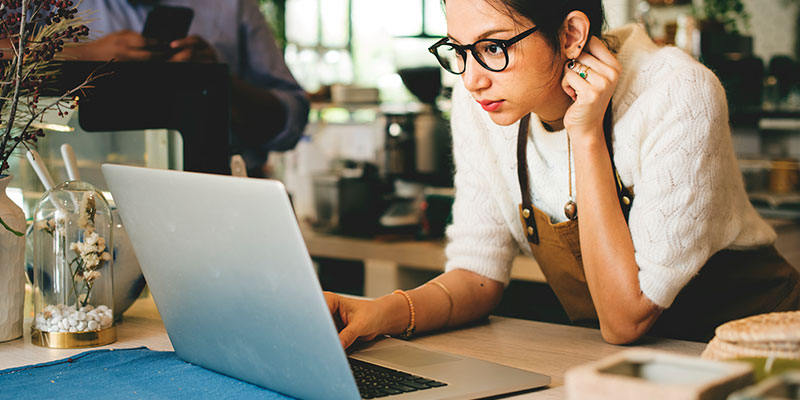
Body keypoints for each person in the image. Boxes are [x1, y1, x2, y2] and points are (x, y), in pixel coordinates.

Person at [324, 0, 800, 346]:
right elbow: (476, 274)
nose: (471, 78)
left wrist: (586, 133)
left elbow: (625, 319)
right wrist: (380, 312)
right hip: (634, 365)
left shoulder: (676, 93)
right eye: (459, 50)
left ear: (571, 34)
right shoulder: (482, 109)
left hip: (760, 357)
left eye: (493, 47)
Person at [64, 0, 309, 177]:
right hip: (89, 189)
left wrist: (216, 81)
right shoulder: (50, 7)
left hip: (220, 189)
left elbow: (291, 121)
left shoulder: (234, 7)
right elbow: (25, 63)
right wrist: (85, 55)